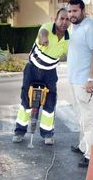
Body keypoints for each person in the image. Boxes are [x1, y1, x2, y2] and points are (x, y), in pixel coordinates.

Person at [13, 8, 70, 145]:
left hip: (50, 73)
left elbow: (72, 55)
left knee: (50, 103)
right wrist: (43, 38)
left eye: (67, 19)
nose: (64, 22)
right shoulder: (47, 28)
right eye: (61, 18)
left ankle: (47, 134)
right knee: (26, 101)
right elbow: (42, 32)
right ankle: (19, 132)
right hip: (32, 69)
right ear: (55, 20)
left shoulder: (68, 40)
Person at [67, 0, 93, 167]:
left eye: (75, 11)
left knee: (89, 119)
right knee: (81, 117)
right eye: (69, 11)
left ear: (82, 11)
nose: (71, 14)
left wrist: (91, 79)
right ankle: (83, 146)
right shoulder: (75, 27)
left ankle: (90, 155)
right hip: (75, 81)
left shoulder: (91, 27)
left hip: (86, 82)